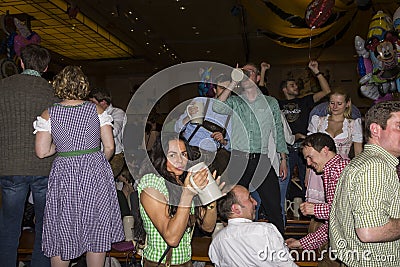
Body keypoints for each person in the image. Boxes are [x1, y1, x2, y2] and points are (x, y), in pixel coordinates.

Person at [34, 66, 124, 266]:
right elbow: (109, 146)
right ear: (83, 86)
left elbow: (42, 152)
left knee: (63, 225)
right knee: (96, 226)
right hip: (94, 171)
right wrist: (96, 161)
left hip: (65, 172)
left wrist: (63, 146)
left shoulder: (50, 113)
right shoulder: (97, 110)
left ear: (59, 85)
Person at [213, 63, 288, 235]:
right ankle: (236, 241)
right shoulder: (235, 102)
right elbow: (217, 107)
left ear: (258, 77)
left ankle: (279, 243)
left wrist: (283, 159)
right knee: (234, 206)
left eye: (250, 72)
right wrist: (232, 82)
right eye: (243, 73)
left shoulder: (270, 102)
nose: (246, 75)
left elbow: (278, 131)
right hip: (239, 159)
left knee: (273, 204)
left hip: (261, 159)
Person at [0, 44, 57, 267]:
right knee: (44, 227)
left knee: (9, 226)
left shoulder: (3, 87)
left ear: (21, 63)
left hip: (9, 165)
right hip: (44, 166)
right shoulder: (52, 93)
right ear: (45, 68)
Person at [330, 101, 400, 267]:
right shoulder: (374, 167)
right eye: (399, 126)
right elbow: (370, 231)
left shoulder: (365, 162)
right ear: (375, 130)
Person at [137, 134, 218, 266]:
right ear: (161, 157)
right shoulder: (152, 183)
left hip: (186, 262)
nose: (180, 160)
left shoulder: (183, 183)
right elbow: (172, 238)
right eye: (173, 155)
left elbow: (208, 227)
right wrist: (187, 194)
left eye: (184, 154)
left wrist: (211, 198)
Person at [285, 133, 350, 267]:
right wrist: (300, 243)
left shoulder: (339, 169)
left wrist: (315, 209)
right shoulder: (332, 169)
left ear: (325, 150)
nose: (308, 163)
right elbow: (333, 225)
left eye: (310, 157)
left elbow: (345, 213)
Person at [279, 60, 331, 200]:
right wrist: (264, 72)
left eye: (295, 84)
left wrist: (316, 71)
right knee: (283, 179)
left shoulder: (304, 101)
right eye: (292, 85)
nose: (296, 86)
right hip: (287, 147)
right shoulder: (277, 104)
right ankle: (283, 209)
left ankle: (307, 208)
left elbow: (327, 92)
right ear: (284, 89)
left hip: (304, 147)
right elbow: (261, 95)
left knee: (306, 180)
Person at [209, 185, 297, 267]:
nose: (255, 202)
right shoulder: (265, 231)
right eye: (249, 199)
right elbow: (287, 264)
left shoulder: (217, 241)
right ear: (236, 209)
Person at [306, 89, 363, 203]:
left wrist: (358, 176)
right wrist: (307, 174)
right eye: (332, 103)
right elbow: (309, 151)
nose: (335, 106)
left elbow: (358, 153)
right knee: (315, 212)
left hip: (342, 170)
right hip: (318, 170)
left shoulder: (353, 124)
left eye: (339, 103)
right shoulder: (318, 121)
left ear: (347, 104)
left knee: (341, 207)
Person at [175, 73, 232, 176]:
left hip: (212, 157)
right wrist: (188, 117)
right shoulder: (200, 101)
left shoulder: (231, 114)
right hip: (190, 150)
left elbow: (231, 145)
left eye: (228, 89)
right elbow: (177, 128)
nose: (225, 91)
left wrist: (223, 141)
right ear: (214, 90)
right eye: (221, 88)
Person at [89, 87, 126, 177]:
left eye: (93, 102)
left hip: (115, 157)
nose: (90, 105)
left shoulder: (117, 113)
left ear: (103, 102)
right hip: (97, 155)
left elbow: (114, 131)